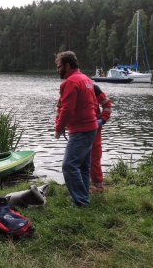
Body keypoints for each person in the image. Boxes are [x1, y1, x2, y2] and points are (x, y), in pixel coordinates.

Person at [54, 51, 99, 207]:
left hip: (81, 130)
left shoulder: (71, 82)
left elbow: (67, 109)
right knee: (83, 166)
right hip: (91, 127)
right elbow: (93, 104)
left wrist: (58, 129)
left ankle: (80, 201)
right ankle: (83, 197)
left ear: (67, 65)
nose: (57, 70)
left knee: (69, 165)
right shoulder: (86, 79)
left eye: (59, 67)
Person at [90, 85, 112, 193]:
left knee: (94, 157)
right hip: (78, 129)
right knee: (78, 158)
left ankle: (99, 186)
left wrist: (102, 120)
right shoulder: (70, 87)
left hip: (95, 128)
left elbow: (107, 104)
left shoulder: (94, 88)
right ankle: (81, 185)